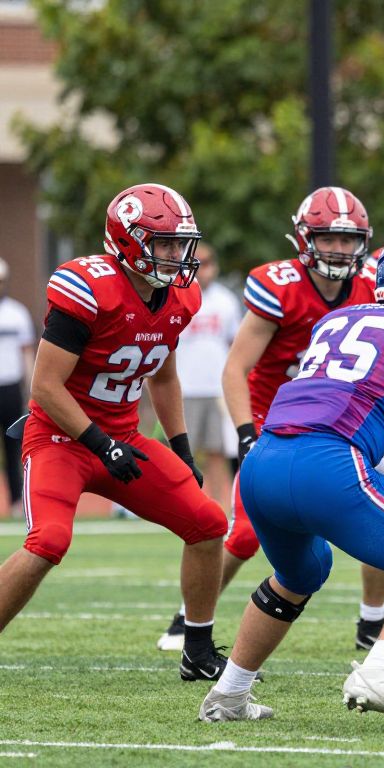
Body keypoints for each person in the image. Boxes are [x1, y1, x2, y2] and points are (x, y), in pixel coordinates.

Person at [199, 231, 384, 729]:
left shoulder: (338, 318)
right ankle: (378, 669)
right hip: (327, 464)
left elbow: (333, 415)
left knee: (301, 574)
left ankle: (229, 694)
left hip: (264, 462)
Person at [0, 183, 229, 681]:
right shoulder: (89, 288)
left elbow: (163, 374)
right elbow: (44, 387)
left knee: (209, 524)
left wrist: (182, 447)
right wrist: (101, 445)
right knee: (49, 542)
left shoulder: (180, 297)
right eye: (163, 243)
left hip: (124, 439)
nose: (175, 255)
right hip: (61, 437)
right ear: (127, 241)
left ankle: (197, 648)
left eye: (178, 243)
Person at [156, 186, 377, 652]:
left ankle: (374, 620)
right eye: (328, 237)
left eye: (347, 239)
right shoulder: (280, 286)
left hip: (332, 421)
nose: (339, 249)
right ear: (304, 238)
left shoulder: (372, 285)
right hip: (271, 416)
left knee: (373, 513)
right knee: (246, 532)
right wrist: (247, 435)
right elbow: (235, 368)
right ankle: (187, 618)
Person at [175, 243, 242, 512]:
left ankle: (221, 507)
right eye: (197, 264)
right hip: (184, 388)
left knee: (218, 452)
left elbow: (234, 344)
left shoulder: (226, 301)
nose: (203, 270)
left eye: (208, 264)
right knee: (184, 454)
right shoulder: (176, 295)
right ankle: (186, 506)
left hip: (216, 388)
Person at [0, 257, 35, 516]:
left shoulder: (17, 313)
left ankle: (15, 504)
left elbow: (27, 353)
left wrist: (32, 387)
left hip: (10, 387)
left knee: (14, 448)